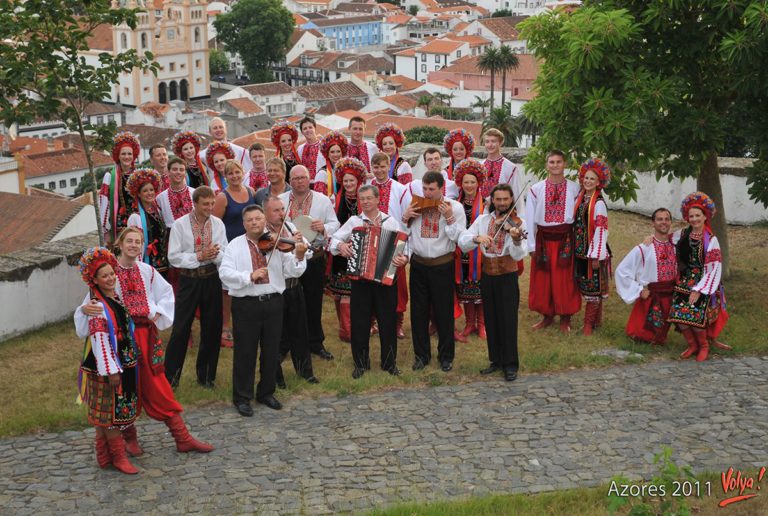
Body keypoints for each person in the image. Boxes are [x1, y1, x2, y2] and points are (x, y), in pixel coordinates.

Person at [76, 230, 213, 469]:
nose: (133, 245)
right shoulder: (107, 271)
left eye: (138, 242)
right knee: (124, 389)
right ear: (119, 244)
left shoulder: (147, 271)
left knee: (158, 386)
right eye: (129, 241)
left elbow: (166, 293)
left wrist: (158, 313)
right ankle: (129, 439)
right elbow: (92, 305)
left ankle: (182, 437)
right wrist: (86, 309)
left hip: (145, 337)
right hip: (119, 341)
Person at [219, 205, 308, 416]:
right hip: (246, 305)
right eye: (250, 220)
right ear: (244, 224)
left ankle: (266, 392)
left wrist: (300, 254)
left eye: (258, 218)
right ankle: (242, 396)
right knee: (245, 352)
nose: (254, 223)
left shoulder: (278, 243)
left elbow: (293, 270)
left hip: (274, 302)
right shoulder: (234, 245)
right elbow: (224, 273)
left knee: (271, 350)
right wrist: (248, 276)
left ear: (264, 220)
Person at [330, 184, 409, 379]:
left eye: (368, 198)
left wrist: (403, 259)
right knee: (360, 322)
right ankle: (360, 364)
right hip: (360, 280)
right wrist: (341, 246)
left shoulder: (391, 222)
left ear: (377, 199)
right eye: (362, 198)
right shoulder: (354, 222)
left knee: (387, 322)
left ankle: (389, 362)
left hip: (384, 281)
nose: (365, 202)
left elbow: (406, 248)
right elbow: (333, 240)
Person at [458, 184, 528, 381]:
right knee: (491, 318)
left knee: (508, 320)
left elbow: (519, 253)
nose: (503, 203)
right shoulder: (482, 220)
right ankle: (496, 360)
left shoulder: (518, 223)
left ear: (511, 200)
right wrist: (476, 238)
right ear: (492, 200)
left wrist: (515, 240)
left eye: (506, 199)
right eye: (499, 199)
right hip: (488, 274)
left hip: (507, 275)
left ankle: (510, 364)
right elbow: (463, 242)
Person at [402, 171, 466, 372]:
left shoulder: (455, 207)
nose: (427, 193)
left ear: (441, 188)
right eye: (425, 188)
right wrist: (405, 219)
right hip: (419, 265)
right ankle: (421, 356)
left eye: (431, 189)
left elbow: (459, 238)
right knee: (418, 312)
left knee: (443, 312)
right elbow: (406, 236)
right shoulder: (415, 205)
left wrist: (449, 218)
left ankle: (446, 356)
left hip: (442, 265)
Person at [164, 186, 228, 388]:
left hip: (211, 278)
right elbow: (173, 257)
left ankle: (207, 376)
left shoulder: (217, 224)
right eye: (205, 204)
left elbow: (223, 251)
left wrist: (213, 255)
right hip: (189, 280)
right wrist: (198, 256)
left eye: (212, 204)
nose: (210, 207)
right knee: (181, 328)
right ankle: (171, 378)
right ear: (195, 203)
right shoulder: (180, 225)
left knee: (212, 327)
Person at [279, 166, 340, 361]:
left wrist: (323, 227)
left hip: (314, 258)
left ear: (309, 179)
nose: (299, 181)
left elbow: (335, 224)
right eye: (295, 178)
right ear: (290, 180)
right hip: (289, 259)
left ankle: (315, 343)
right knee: (288, 301)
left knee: (314, 301)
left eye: (303, 177)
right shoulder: (281, 200)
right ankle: (286, 344)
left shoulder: (322, 200)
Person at [262, 196, 319, 386]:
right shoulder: (262, 234)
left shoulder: (290, 227)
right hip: (275, 290)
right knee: (276, 336)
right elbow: (274, 258)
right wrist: (291, 247)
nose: (280, 214)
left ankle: (305, 371)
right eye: (275, 211)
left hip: (294, 287)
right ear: (265, 213)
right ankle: (275, 377)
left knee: (299, 331)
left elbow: (307, 252)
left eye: (281, 209)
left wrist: (299, 246)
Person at [668, 192, 728, 362]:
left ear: (705, 217)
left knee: (695, 313)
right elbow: (667, 239)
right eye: (691, 216)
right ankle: (692, 344)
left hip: (705, 282)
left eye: (697, 216)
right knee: (678, 314)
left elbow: (713, 268)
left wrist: (699, 290)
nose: (694, 219)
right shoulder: (683, 234)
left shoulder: (711, 240)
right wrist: (650, 238)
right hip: (685, 280)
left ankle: (704, 346)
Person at [525, 150, 581, 332]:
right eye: (551, 162)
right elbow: (530, 218)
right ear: (546, 165)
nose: (555, 165)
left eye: (558, 161)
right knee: (544, 279)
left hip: (566, 240)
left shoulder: (575, 189)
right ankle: (547, 315)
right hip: (544, 240)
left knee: (565, 279)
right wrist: (532, 245)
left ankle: (566, 316)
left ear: (565, 164)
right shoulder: (536, 190)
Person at [614, 208, 678, 345]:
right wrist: (639, 290)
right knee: (641, 336)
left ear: (671, 222)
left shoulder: (676, 244)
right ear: (652, 223)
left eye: (667, 219)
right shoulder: (644, 248)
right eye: (660, 219)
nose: (664, 222)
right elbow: (622, 271)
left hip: (670, 296)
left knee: (659, 338)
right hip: (651, 296)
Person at [213, 160, 256, 348]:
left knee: (248, 283)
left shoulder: (251, 192)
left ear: (243, 172)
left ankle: (247, 323)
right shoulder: (222, 197)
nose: (234, 176)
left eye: (237, 172)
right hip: (230, 248)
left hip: (250, 246)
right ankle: (225, 326)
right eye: (230, 174)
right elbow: (215, 224)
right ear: (225, 177)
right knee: (228, 290)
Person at [367, 152, 408, 337]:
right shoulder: (367, 188)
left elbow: (407, 217)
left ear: (388, 166)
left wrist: (404, 245)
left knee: (396, 284)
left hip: (395, 239)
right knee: (372, 279)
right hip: (372, 239)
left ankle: (398, 322)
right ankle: (373, 320)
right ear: (372, 168)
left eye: (383, 166)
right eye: (376, 167)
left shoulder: (400, 189)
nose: (380, 170)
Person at [327, 157, 367, 342]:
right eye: (346, 181)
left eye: (352, 180)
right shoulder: (335, 199)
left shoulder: (365, 200)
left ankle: (349, 331)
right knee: (338, 291)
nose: (349, 184)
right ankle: (344, 326)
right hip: (340, 249)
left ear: (358, 181)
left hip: (360, 250)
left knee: (352, 294)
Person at [572, 159, 612, 336]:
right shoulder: (581, 198)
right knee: (587, 285)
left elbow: (601, 229)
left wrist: (595, 255)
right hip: (580, 250)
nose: (587, 181)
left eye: (592, 179)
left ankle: (588, 325)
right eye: (586, 178)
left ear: (598, 182)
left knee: (593, 287)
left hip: (592, 252)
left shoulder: (599, 203)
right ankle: (596, 320)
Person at [452, 158, 487, 342]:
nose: (469, 185)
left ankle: (482, 325)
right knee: (465, 289)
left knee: (480, 289)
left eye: (473, 182)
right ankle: (469, 323)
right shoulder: (455, 204)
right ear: (461, 183)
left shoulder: (487, 204)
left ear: (478, 183)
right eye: (466, 182)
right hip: (461, 253)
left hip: (480, 253)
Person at [100, 131, 141, 246]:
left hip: (137, 223)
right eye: (123, 154)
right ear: (118, 155)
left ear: (134, 155)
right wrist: (106, 230)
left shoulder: (139, 175)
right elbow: (104, 204)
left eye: (129, 154)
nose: (127, 157)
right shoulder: (110, 176)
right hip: (118, 226)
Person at [126, 168, 169, 276]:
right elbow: (133, 246)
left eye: (151, 190)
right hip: (147, 267)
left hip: (164, 264)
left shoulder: (158, 211)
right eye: (145, 191)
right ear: (139, 194)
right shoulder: (135, 217)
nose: (149, 193)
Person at [480, 128, 522, 202]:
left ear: (500, 142)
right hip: (480, 209)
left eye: (493, 141)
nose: (490, 145)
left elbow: (517, 193)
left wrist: (518, 213)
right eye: (487, 141)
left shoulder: (511, 167)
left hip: (502, 209)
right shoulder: (479, 165)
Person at [156, 157, 196, 228]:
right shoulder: (160, 198)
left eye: (181, 170)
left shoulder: (195, 193)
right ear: (168, 172)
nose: (178, 172)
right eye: (175, 169)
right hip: (171, 236)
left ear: (185, 173)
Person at [314, 130, 348, 197]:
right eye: (332, 152)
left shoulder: (344, 171)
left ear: (342, 153)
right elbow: (319, 198)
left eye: (338, 151)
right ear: (328, 155)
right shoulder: (322, 174)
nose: (336, 155)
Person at [297, 116, 326, 183]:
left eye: (310, 127)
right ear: (302, 132)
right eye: (305, 128)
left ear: (315, 128)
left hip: (321, 182)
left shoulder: (324, 146)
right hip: (305, 185)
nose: (308, 130)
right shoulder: (300, 149)